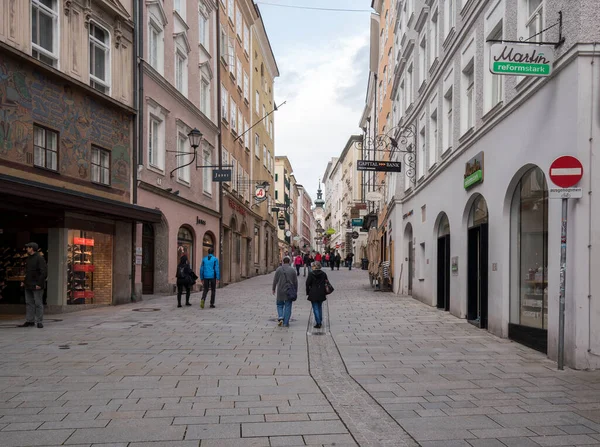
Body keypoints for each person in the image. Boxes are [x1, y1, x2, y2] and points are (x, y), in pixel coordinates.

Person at [19, 242, 47, 328]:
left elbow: (44, 272)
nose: (26, 249)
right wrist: (24, 281)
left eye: (28, 247)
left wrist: (39, 283)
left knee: (38, 303)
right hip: (28, 284)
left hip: (36, 284)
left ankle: (39, 321)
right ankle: (30, 320)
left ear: (32, 248)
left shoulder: (39, 258)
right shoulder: (28, 259)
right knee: (29, 303)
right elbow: (28, 272)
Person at [272, 256, 298, 327]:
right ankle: (286, 323)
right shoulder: (292, 270)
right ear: (289, 262)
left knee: (279, 305)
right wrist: (295, 290)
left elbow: (275, 280)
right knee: (288, 306)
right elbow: (295, 282)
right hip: (289, 291)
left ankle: (280, 317)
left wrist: (273, 289)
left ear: (283, 262)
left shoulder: (279, 269)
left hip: (280, 290)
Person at [306, 261, 328, 329]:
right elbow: (326, 282)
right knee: (319, 307)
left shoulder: (311, 274)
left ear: (315, 267)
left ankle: (318, 323)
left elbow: (307, 284)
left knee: (315, 307)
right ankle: (320, 320)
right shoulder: (324, 274)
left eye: (312, 266)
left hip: (313, 292)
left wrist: (308, 292)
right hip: (321, 292)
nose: (312, 267)